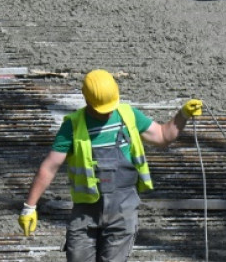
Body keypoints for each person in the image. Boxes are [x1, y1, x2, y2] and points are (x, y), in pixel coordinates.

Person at [18, 69, 202, 261]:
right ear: (87, 100)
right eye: (102, 109)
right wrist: (29, 207)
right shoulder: (72, 126)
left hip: (122, 212)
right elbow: (49, 167)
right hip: (85, 215)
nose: (107, 113)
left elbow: (164, 136)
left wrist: (183, 115)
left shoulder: (129, 116)